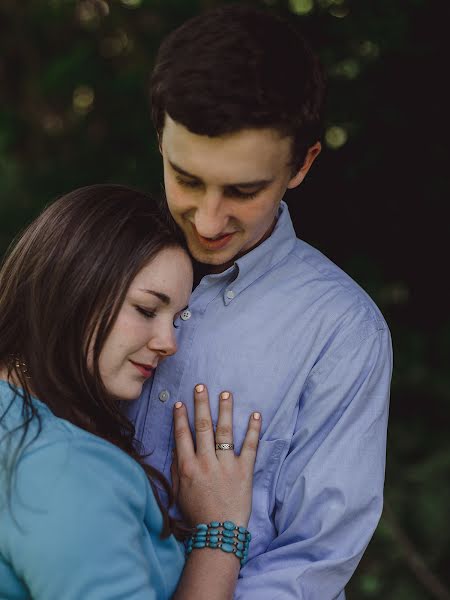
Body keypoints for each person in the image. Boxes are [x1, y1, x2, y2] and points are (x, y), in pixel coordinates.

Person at [126, 5, 393, 599]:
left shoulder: (343, 333)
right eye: (186, 179)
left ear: (303, 164)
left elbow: (310, 563)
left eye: (244, 191)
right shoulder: (92, 265)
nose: (209, 219)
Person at [0, 184, 262, 600]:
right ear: (72, 287)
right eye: (145, 310)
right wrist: (220, 533)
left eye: (175, 319)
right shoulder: (61, 468)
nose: (168, 342)